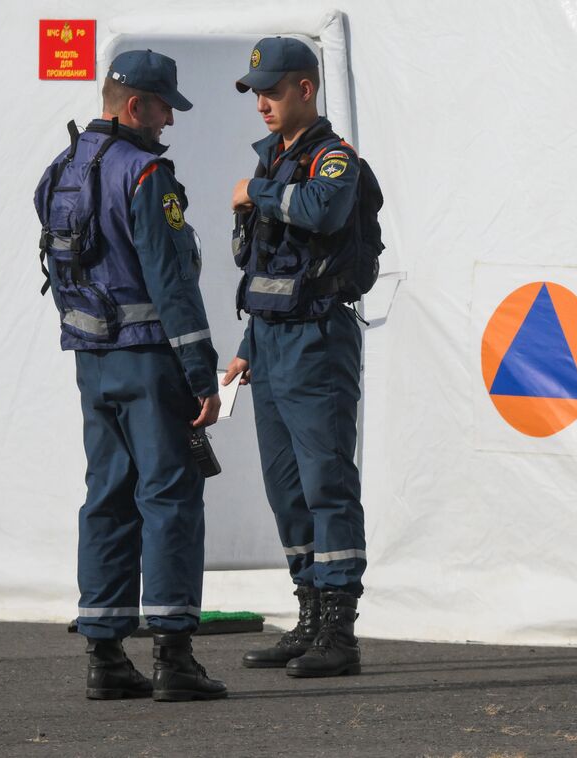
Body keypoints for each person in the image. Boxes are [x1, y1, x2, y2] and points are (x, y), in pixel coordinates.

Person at [33, 49, 227, 702]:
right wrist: (202, 375)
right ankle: (174, 656)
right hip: (150, 361)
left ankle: (106, 654)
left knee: (107, 496)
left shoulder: (61, 169)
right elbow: (172, 282)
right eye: (165, 105)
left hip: (93, 363)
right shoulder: (146, 177)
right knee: (171, 498)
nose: (170, 119)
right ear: (136, 105)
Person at [223, 36, 367, 678]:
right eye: (256, 91)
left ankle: (339, 631)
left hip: (317, 340)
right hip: (273, 344)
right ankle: (308, 617)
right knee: (286, 491)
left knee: (326, 483)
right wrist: (247, 348)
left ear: (306, 89)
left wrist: (255, 192)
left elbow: (323, 211)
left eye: (272, 90)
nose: (262, 103)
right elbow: (264, 269)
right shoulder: (274, 161)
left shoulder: (332, 159)